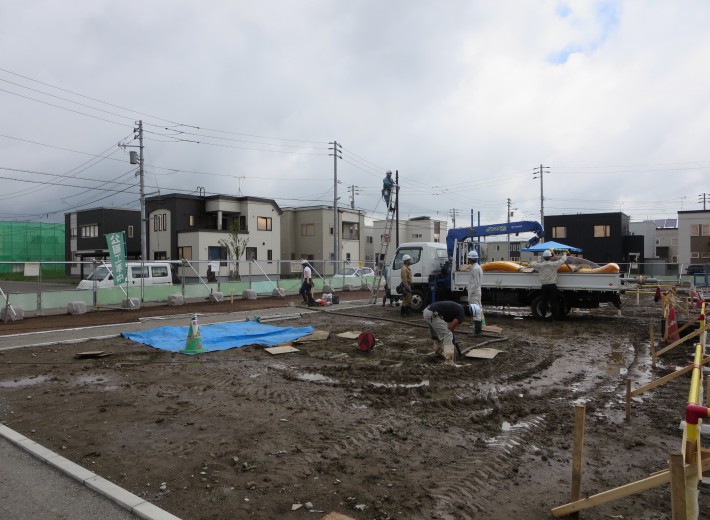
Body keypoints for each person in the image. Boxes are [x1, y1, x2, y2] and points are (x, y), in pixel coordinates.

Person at [423, 301, 480, 366]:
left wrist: (452, 336)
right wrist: (452, 338)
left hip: (427, 311)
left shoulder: (459, 307)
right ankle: (449, 361)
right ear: (471, 314)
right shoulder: (461, 314)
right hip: (433, 315)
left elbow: (450, 327)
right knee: (447, 335)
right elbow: (450, 328)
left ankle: (438, 353)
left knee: (438, 334)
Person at [530, 250, 568, 320]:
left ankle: (543, 316)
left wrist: (539, 261)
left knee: (544, 301)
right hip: (552, 286)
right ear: (550, 257)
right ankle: (553, 316)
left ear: (543, 257)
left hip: (544, 286)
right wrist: (564, 254)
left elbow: (531, 263)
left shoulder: (540, 265)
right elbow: (563, 260)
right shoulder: (554, 264)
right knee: (553, 301)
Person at [466, 250, 484, 333]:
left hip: (474, 293)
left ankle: (477, 332)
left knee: (476, 311)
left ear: (470, 259)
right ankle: (478, 330)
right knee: (477, 310)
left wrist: (470, 293)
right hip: (476, 292)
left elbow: (475, 283)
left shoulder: (475, 269)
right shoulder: (477, 267)